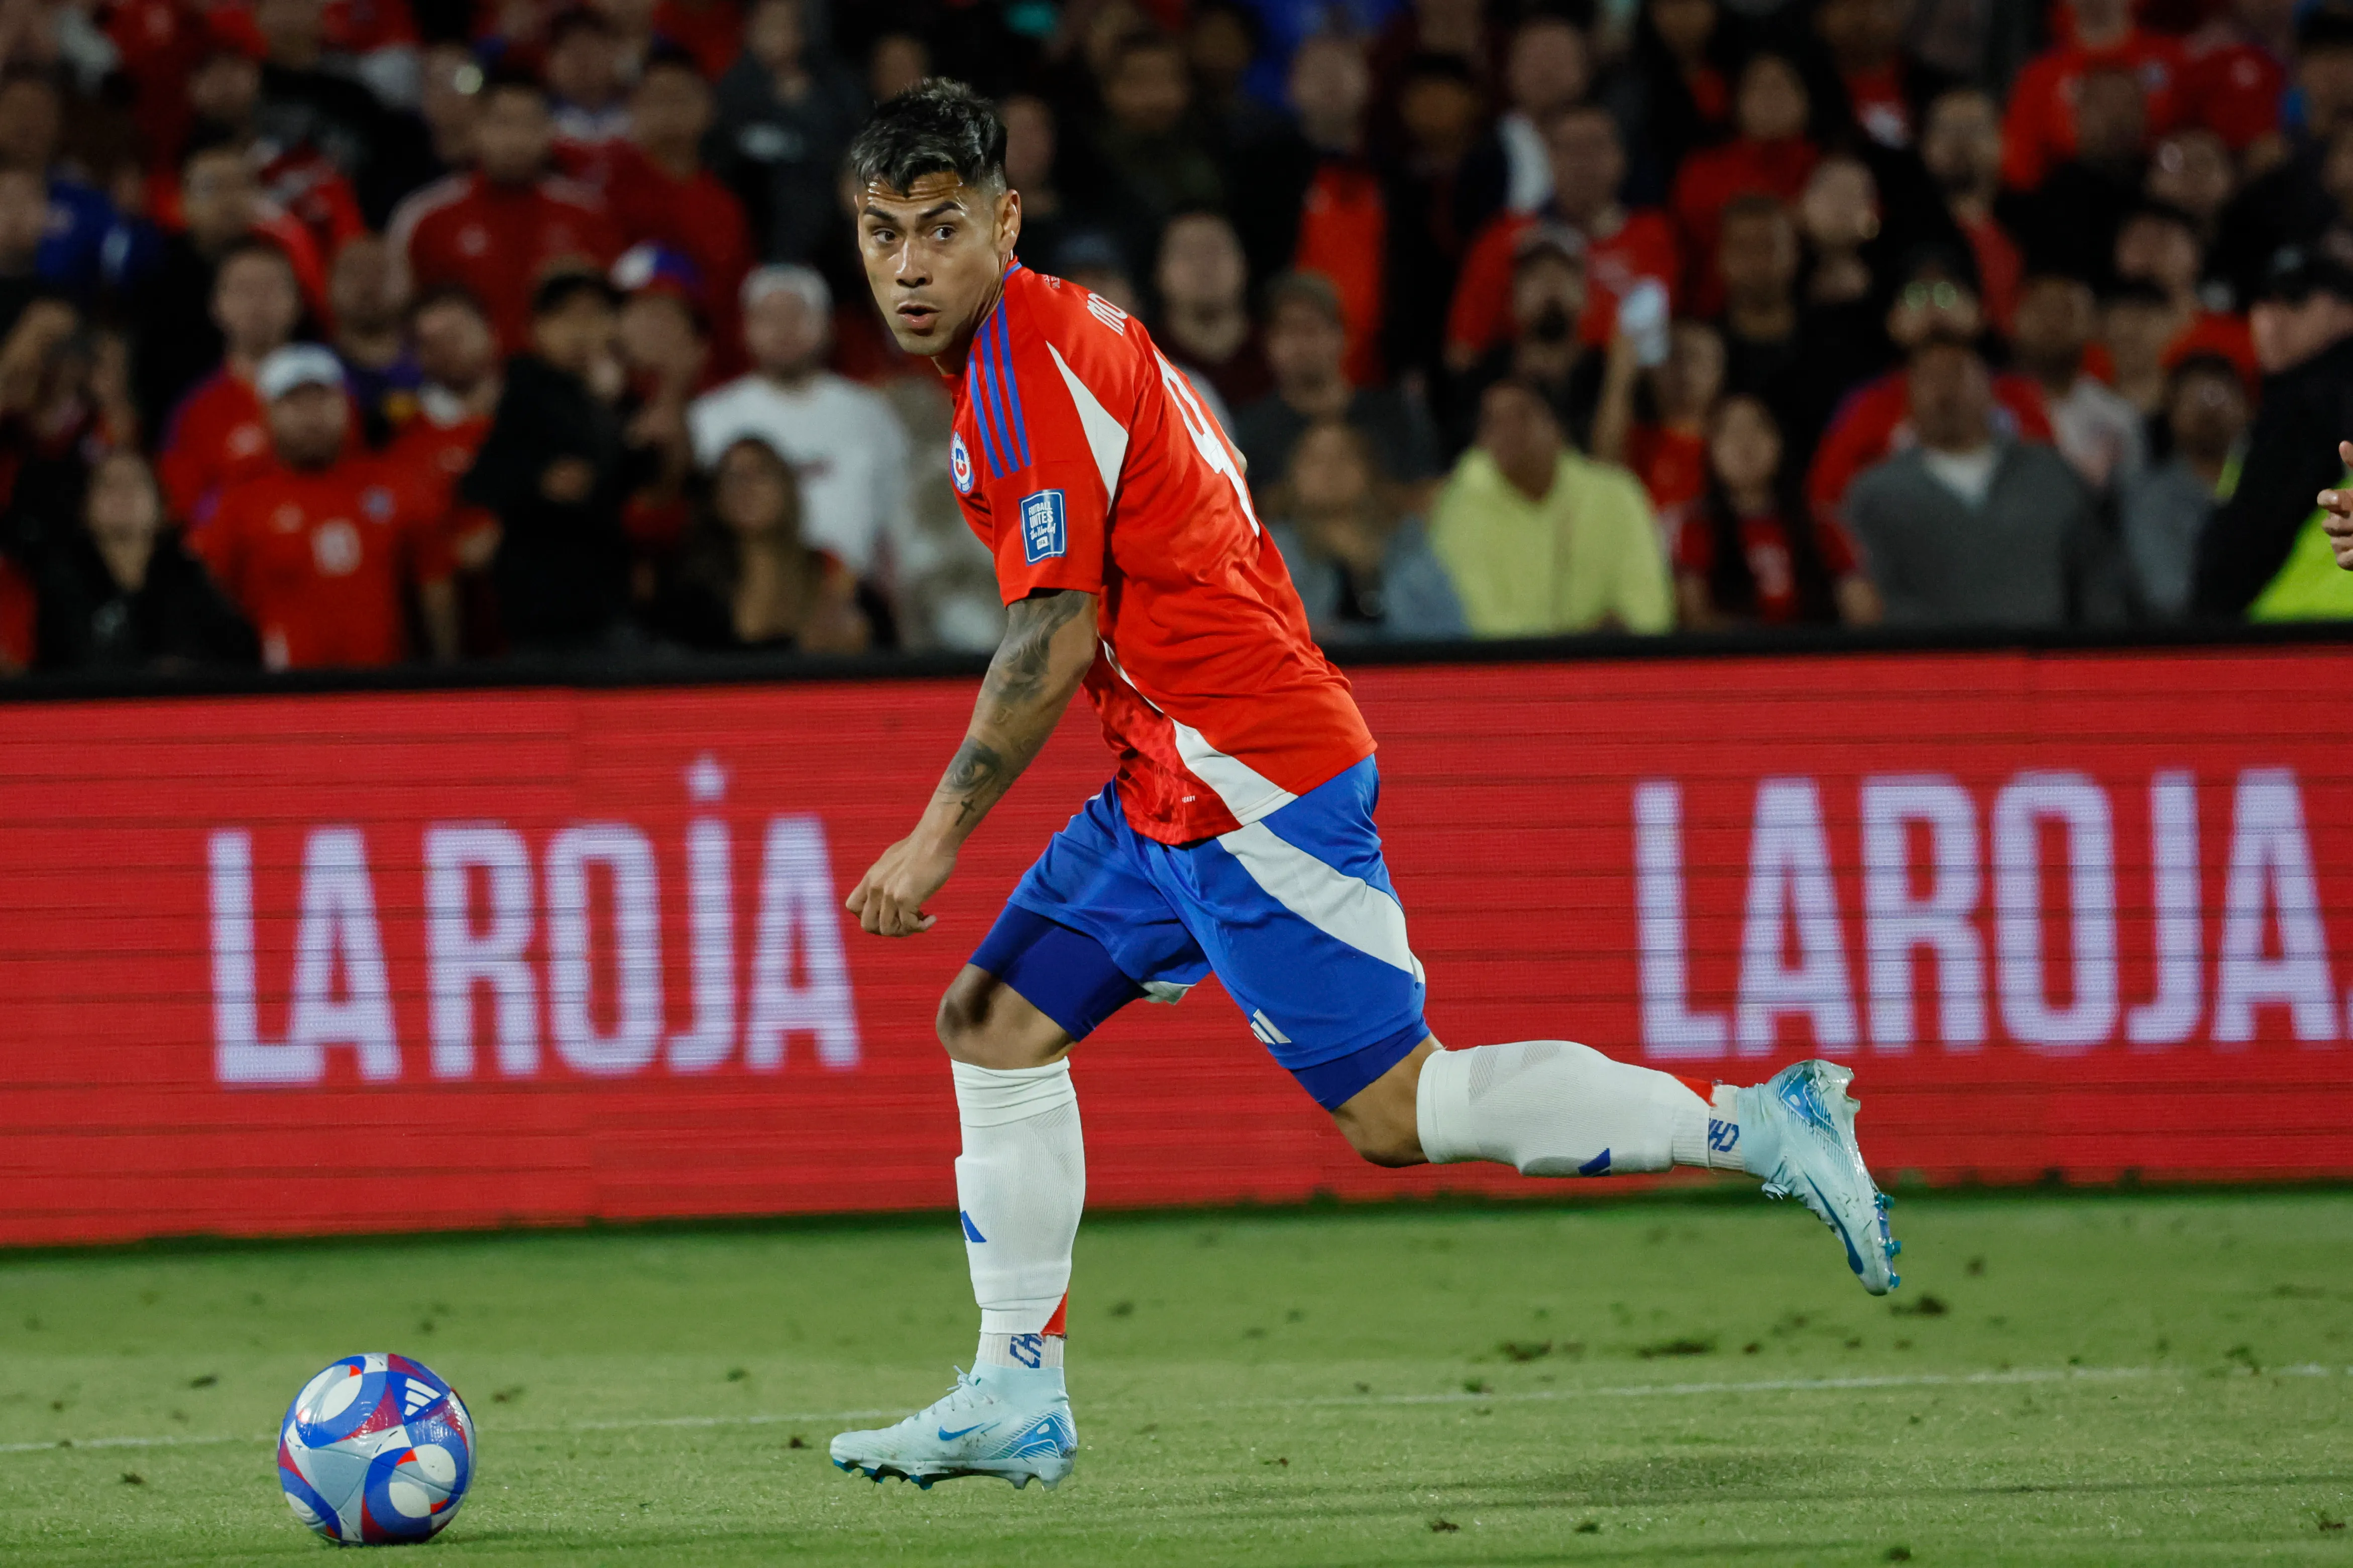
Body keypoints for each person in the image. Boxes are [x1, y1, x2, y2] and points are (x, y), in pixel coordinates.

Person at [824, 81, 1900, 1494]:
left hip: (1241, 772)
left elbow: (1052, 628)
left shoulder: (1032, 363)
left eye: (940, 228)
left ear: (1003, 220)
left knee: (1395, 1112)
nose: (907, 264)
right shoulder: (1043, 345)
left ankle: (1756, 1124)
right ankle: (1014, 1388)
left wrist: (932, 835)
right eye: (881, 232)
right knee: (993, 1024)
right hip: (1169, 772)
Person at [195, 342, 458, 668]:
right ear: (267, 414)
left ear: (345, 406)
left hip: (383, 691)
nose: (311, 415)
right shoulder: (241, 504)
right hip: (284, 696)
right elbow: (213, 600)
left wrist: (446, 674)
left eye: (322, 399)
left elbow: (433, 582)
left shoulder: (393, 485)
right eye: (295, 402)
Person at [1842, 336, 2120, 627]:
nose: (1944, 391)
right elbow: (1869, 597)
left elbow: (2097, 578)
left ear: (1990, 389)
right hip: (1931, 664)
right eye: (1929, 379)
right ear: (1909, 396)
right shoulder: (1877, 493)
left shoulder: (2049, 474)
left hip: (2044, 661)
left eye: (1956, 375)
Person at [460, 269, 651, 656]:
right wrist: (537, 483)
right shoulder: (521, 391)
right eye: (565, 316)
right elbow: (482, 481)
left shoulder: (627, 400)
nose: (581, 330)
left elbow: (640, 485)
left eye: (595, 314)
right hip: (540, 606)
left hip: (609, 602)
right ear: (537, 330)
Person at [688, 265, 915, 590]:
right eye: (769, 317)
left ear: (827, 326)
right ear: (745, 329)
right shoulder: (709, 419)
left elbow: (900, 519)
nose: (784, 328)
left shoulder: (869, 413)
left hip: (855, 603)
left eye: (797, 314)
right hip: (745, 603)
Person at [388, 66, 621, 353]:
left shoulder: (587, 214)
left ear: (550, 130)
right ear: (476, 127)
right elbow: (402, 315)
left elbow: (613, 311)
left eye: (530, 124)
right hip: (462, 385)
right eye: (503, 123)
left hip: (565, 384)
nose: (516, 139)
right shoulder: (426, 217)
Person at [1430, 376, 1674, 636]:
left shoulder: (1617, 495)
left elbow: (1648, 607)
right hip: (1507, 673)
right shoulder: (1462, 504)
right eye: (1492, 422)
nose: (1507, 431)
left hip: (1610, 669)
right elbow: (1476, 623)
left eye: (1521, 416)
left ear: (1556, 427)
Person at [2193, 242, 2353, 613]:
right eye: (2262, 303)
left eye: (2295, 303)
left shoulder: (2315, 401)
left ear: (2346, 312)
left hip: (2307, 637)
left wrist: (2210, 623)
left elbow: (2249, 538)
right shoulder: (2289, 398)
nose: (2271, 319)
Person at [30, 450, 257, 672]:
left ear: (161, 509)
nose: (122, 494)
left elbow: (238, 655)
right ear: (85, 509)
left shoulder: (191, 580)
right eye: (108, 484)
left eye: (135, 483)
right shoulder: (62, 585)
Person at [1232, 271, 1440, 506]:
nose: (1301, 343)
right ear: (1269, 344)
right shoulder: (1250, 429)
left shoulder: (1396, 414)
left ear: (1343, 336)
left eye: (1311, 328)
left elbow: (1427, 494)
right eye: (1288, 330)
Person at [1671, 394, 1878, 627]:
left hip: (1815, 656)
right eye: (1730, 431)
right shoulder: (1697, 527)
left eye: (1757, 427)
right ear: (1711, 449)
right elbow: (1696, 618)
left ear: (1778, 442)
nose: (1745, 441)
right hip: (1737, 659)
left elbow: (1862, 613)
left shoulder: (1820, 525)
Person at [653, 433, 871, 652]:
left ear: (786, 488)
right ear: (716, 496)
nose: (747, 487)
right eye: (733, 477)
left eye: (761, 473)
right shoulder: (693, 584)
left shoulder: (829, 573)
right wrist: (799, 648)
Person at [1268, 419, 1465, 642]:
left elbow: (1450, 632)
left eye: (1344, 458)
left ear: (1370, 470)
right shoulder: (1269, 551)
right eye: (1314, 460)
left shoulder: (1408, 546)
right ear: (1292, 475)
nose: (1330, 470)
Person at [155, 238, 303, 525]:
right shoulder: (193, 412)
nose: (258, 303)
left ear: (297, 302)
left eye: (271, 288)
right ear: (216, 306)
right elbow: (184, 510)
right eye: (244, 290)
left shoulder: (336, 394)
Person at [2122, 353, 2250, 616]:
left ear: (2247, 407)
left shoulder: (2275, 482)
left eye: (2218, 398)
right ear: (2170, 412)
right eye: (2193, 401)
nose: (2208, 412)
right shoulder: (2151, 498)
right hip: (2189, 641)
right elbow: (2166, 593)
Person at [2010, 273, 2146, 495]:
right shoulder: (1989, 409)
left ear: (2092, 325)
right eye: (2041, 312)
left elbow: (2133, 502)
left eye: (2066, 312)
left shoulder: (2119, 415)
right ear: (2016, 320)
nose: (2053, 324)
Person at [1152, 209, 1268, 408]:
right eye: (1187, 253)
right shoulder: (1145, 363)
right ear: (1159, 272)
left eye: (1215, 250)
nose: (1203, 265)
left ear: (1244, 264)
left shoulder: (1278, 355)